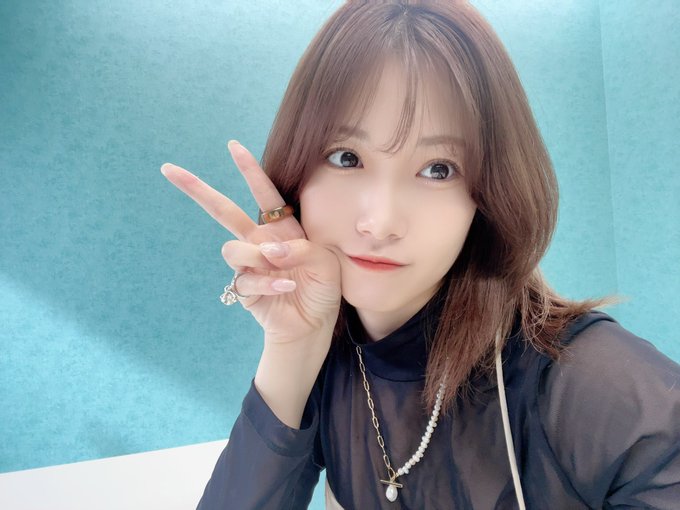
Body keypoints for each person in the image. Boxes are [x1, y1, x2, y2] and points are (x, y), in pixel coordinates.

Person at [161, 1, 680, 508]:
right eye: (347, 157)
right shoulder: (330, 358)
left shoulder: (589, 382)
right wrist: (291, 350)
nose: (380, 222)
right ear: (297, 175)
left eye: (438, 169)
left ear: (487, 195)